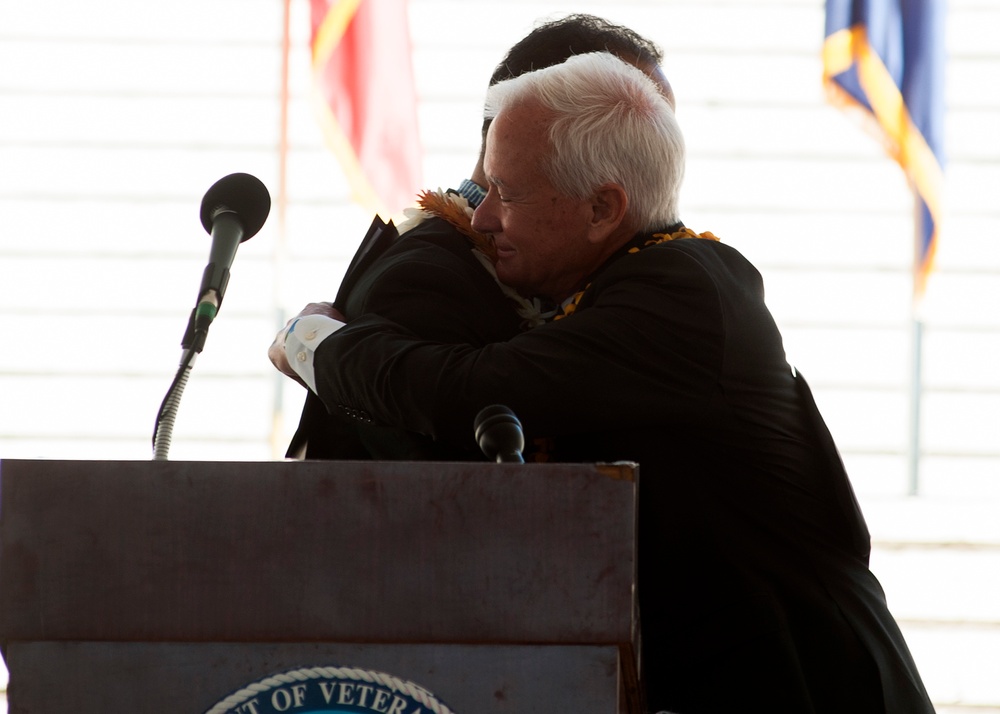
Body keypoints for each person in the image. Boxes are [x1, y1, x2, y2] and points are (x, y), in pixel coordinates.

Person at [271, 52, 935, 713]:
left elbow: (469, 393)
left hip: (808, 684)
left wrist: (315, 346)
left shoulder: (680, 298)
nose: (483, 218)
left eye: (509, 192)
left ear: (601, 208)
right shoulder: (641, 282)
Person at [279, 13, 670, 460]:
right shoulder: (427, 276)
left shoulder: (586, 271)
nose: (657, 157)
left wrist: (306, 339)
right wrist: (311, 342)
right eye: (638, 127)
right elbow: (439, 483)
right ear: (534, 113)